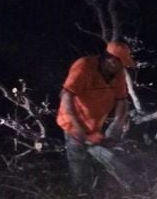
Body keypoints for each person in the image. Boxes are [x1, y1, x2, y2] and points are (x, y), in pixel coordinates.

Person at [56, 40, 134, 189]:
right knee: (79, 167)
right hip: (73, 124)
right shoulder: (84, 67)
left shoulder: (118, 74)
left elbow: (122, 100)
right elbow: (66, 96)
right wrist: (79, 130)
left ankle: (114, 191)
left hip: (95, 126)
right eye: (120, 62)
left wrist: (116, 126)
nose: (122, 67)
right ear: (110, 60)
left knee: (113, 160)